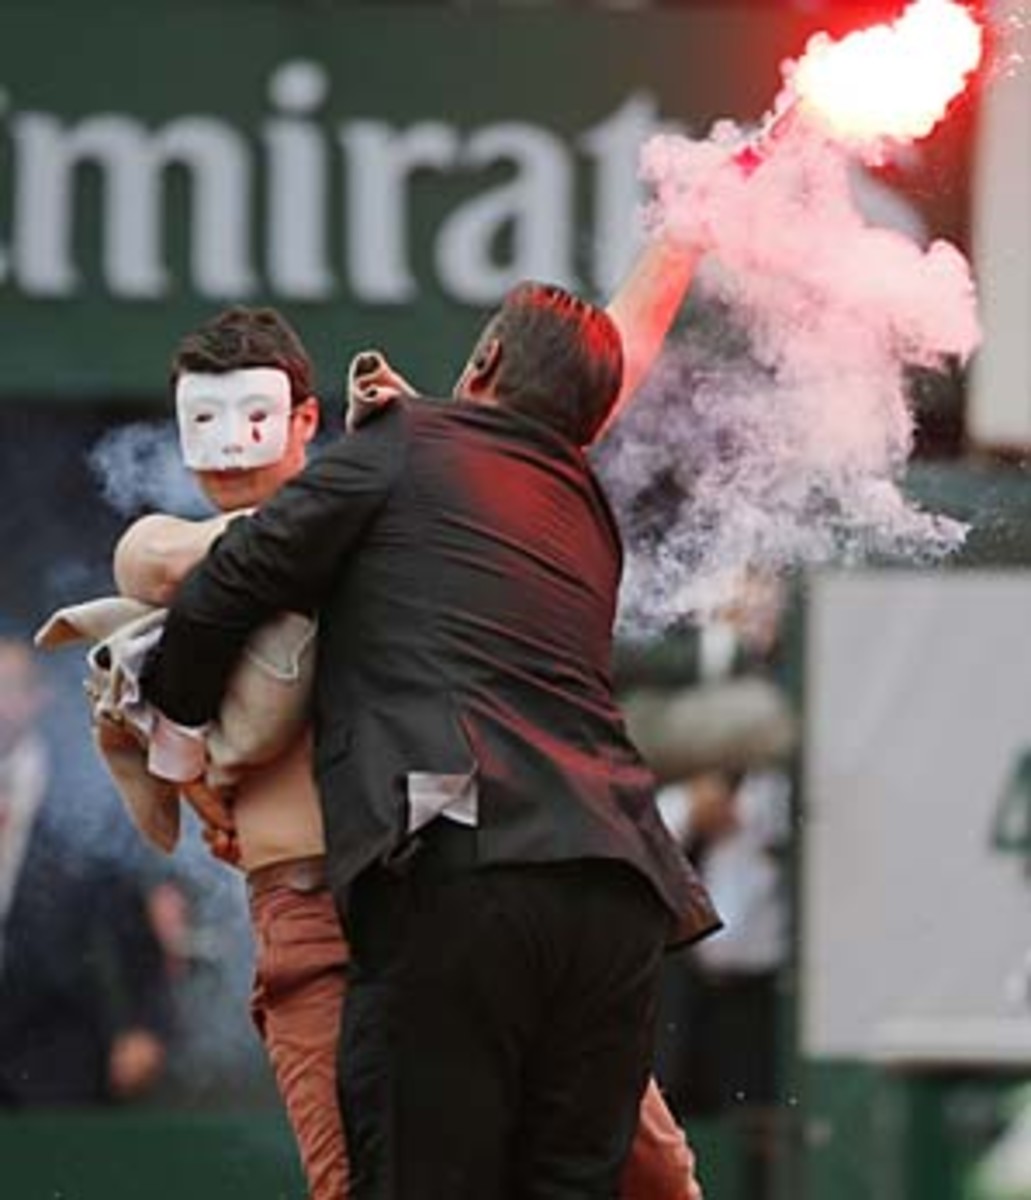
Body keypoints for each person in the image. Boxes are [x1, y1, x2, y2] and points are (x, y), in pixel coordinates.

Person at [48, 285, 706, 1197]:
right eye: (203, 418)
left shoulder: (417, 477)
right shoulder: (363, 489)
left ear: (302, 417)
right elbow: (161, 562)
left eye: (253, 414)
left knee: (656, 1177)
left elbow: (582, 371)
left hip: (457, 873)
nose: (230, 441)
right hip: (375, 899)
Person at [0, 632, 171, 1107]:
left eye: (8, 687)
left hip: (57, 1045)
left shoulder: (81, 796)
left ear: (38, 697)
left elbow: (131, 926)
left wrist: (144, 1026)